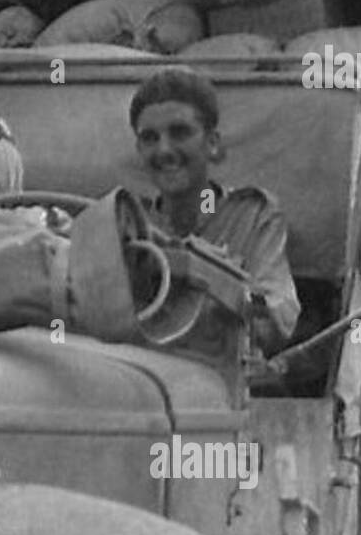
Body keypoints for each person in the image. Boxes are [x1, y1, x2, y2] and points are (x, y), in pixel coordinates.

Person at [128, 66, 299, 355]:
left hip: (222, 379)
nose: (164, 150)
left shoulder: (250, 215)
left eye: (179, 133)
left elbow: (278, 319)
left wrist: (215, 285)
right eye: (150, 138)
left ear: (212, 144)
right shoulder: (132, 222)